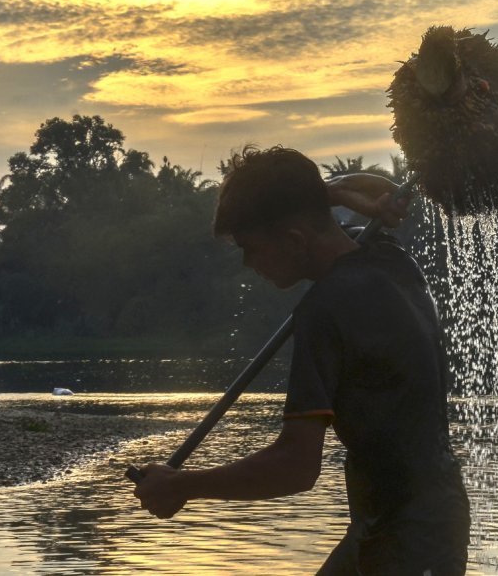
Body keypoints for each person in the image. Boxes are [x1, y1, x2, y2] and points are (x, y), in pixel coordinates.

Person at [133, 146, 470, 575]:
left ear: (293, 240)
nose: (248, 263)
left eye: (250, 248)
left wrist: (183, 485)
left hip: (410, 541)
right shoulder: (389, 257)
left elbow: (295, 467)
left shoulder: (325, 309)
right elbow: (379, 191)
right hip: (414, 518)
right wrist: (326, 194)